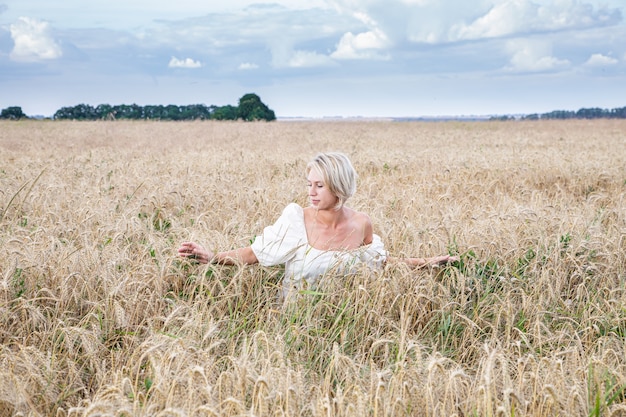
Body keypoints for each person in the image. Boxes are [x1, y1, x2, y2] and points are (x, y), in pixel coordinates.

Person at [178, 152, 458, 298]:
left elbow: (380, 262)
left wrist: (427, 262)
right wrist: (211, 257)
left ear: (339, 186)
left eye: (320, 185)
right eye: (309, 184)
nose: (311, 192)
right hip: (296, 322)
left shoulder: (361, 224)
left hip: (344, 322)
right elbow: (254, 254)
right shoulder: (295, 219)